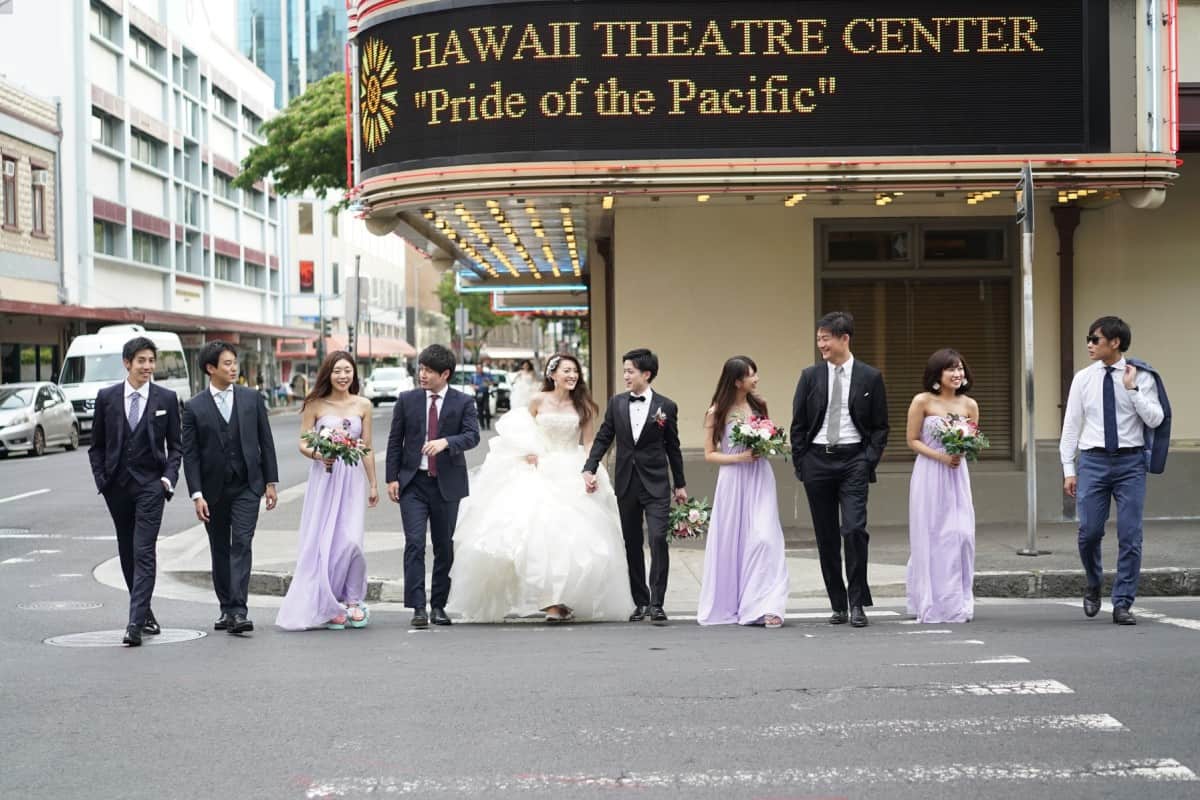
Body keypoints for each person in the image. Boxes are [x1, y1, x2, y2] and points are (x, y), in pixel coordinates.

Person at [449, 354, 633, 623]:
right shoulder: (537, 401)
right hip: (541, 468)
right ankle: (551, 600)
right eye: (566, 371)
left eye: (575, 371)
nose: (572, 376)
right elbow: (520, 432)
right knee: (540, 535)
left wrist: (591, 469)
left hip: (572, 467)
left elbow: (591, 442)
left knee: (575, 538)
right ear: (553, 374)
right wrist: (527, 452)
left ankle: (563, 597)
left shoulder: (583, 405)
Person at [1061, 316, 1164, 625]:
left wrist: (1132, 390)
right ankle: (1094, 582)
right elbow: (1071, 425)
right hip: (1092, 461)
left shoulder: (1141, 376)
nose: (1089, 345)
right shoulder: (1083, 378)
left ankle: (1122, 602)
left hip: (1130, 463)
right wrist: (1069, 468)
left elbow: (1156, 419)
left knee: (1130, 536)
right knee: (1089, 532)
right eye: (1088, 340)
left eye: (1095, 339)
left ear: (1115, 342)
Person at [790, 312, 889, 628]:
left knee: (854, 529)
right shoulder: (810, 376)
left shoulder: (870, 377)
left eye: (826, 338)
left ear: (844, 338)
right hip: (817, 460)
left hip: (853, 461)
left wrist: (867, 459)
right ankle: (838, 603)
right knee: (827, 535)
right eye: (818, 339)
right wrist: (802, 461)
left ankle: (857, 602)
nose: (821, 345)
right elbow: (799, 424)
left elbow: (880, 426)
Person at [87, 336, 182, 647]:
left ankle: (134, 624)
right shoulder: (107, 398)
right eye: (141, 361)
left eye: (151, 361)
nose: (148, 367)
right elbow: (97, 446)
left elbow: (176, 447)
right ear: (127, 363)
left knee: (143, 551)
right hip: (117, 486)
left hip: (151, 487)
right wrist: (102, 480)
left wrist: (167, 480)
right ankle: (146, 612)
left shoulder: (166, 399)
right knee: (127, 551)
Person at [276, 351, 379, 631]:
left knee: (351, 541)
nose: (343, 376)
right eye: (337, 371)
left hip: (353, 478)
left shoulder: (364, 405)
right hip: (325, 477)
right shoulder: (315, 404)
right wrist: (319, 455)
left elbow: (366, 447)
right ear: (328, 374)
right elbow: (303, 443)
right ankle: (329, 602)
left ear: (354, 374)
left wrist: (373, 483)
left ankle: (353, 599)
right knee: (324, 542)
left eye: (347, 370)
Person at [182, 341, 280, 635]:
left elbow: (266, 441)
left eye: (234, 362)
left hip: (248, 485)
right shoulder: (194, 407)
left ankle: (239, 610)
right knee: (219, 548)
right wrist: (196, 494)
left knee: (242, 542)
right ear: (210, 369)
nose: (233, 367)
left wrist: (270, 483)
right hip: (212, 491)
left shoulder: (251, 398)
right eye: (226, 363)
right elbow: (191, 455)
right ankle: (226, 607)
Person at [583, 348, 687, 623]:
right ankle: (640, 602)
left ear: (646, 374)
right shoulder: (616, 404)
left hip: (656, 484)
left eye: (630, 371)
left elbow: (673, 448)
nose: (625, 376)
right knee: (632, 543)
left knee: (657, 539)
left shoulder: (667, 406)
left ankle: (657, 602)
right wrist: (589, 467)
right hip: (627, 482)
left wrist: (680, 484)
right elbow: (604, 438)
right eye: (624, 371)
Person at [386, 344, 481, 628]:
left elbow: (472, 436)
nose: (422, 375)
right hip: (413, 483)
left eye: (428, 371)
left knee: (444, 546)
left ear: (445, 374)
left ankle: (438, 605)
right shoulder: (407, 400)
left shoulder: (463, 402)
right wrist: (392, 478)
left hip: (447, 484)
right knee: (414, 544)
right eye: (421, 369)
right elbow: (395, 441)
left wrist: (446, 443)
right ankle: (417, 607)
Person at [697, 356, 789, 628]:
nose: (756, 379)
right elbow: (709, 454)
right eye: (751, 374)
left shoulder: (759, 405)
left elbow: (768, 436)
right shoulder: (716, 412)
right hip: (732, 480)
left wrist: (765, 446)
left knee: (764, 538)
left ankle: (766, 604)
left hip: (760, 478)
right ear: (737, 381)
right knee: (733, 541)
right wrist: (739, 458)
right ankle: (733, 603)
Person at [904, 349, 979, 624]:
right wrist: (941, 457)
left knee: (961, 535)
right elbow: (912, 439)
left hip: (957, 476)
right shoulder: (922, 401)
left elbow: (972, 439)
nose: (957, 374)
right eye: (951, 369)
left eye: (960, 368)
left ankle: (957, 600)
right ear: (937, 374)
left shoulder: (970, 405)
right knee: (933, 535)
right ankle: (930, 600)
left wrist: (961, 452)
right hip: (930, 472)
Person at [472, 363, 493, 431]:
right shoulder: (474, 376)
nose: (479, 369)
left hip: (485, 393)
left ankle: (488, 424)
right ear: (476, 369)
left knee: (487, 409)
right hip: (478, 394)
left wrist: (487, 383)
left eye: (480, 368)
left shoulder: (487, 375)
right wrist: (475, 387)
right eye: (478, 368)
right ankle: (482, 425)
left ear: (482, 368)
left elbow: (491, 382)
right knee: (480, 410)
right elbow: (471, 384)